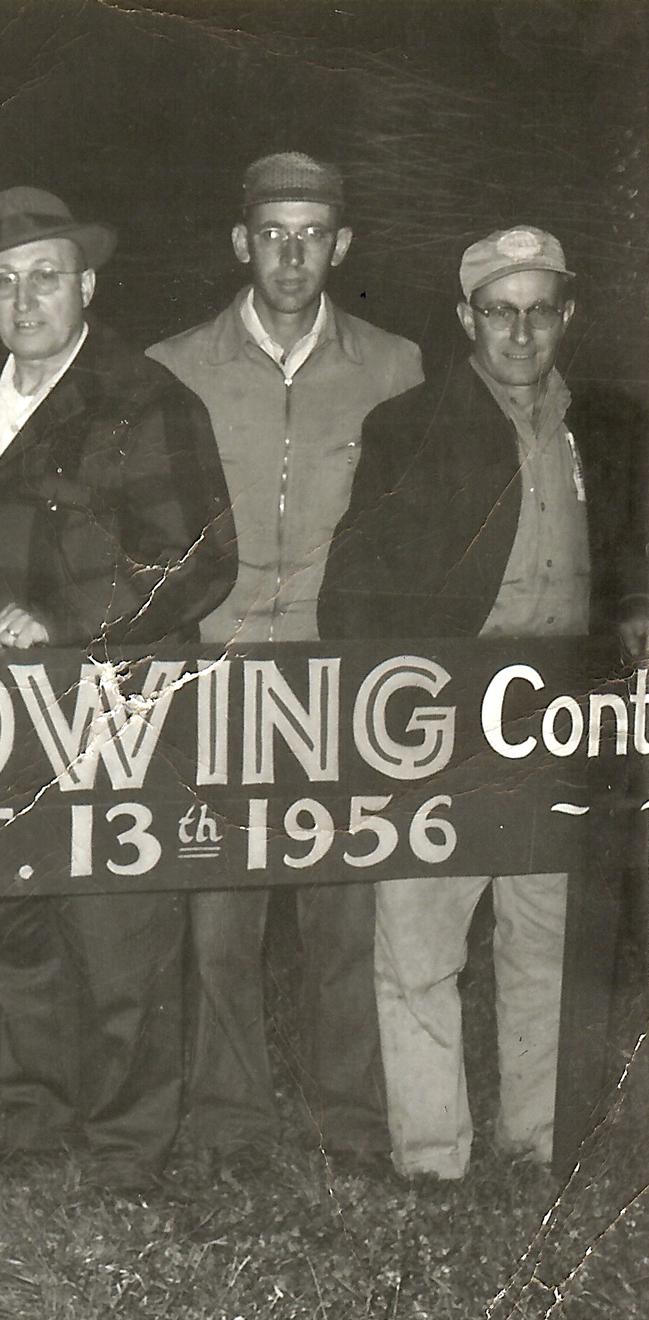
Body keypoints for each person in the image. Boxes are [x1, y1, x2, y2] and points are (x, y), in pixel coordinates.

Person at [0, 186, 236, 1195]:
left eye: (45, 278)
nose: (23, 301)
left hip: (114, 701)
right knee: (5, 920)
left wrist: (63, 620)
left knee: (117, 931)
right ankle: (35, 1124)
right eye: (3, 282)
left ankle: (126, 1149)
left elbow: (199, 559)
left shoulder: (147, 398)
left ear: (87, 284)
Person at [320, 226, 649, 1180]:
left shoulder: (608, 426)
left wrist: (631, 604)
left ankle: (539, 1141)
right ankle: (431, 1156)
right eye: (499, 311)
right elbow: (350, 590)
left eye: (539, 310)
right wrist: (402, 699)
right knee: (421, 941)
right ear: (465, 319)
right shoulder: (408, 425)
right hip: (445, 714)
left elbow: (628, 544)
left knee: (542, 935)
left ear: (566, 315)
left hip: (560, 714)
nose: (519, 331)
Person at [147, 152, 423, 1174]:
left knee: (342, 909)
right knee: (221, 913)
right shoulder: (174, 365)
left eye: (312, 235)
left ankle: (348, 1118)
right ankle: (231, 1121)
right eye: (273, 234)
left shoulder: (395, 366)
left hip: (338, 675)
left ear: (341, 245)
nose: (292, 256)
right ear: (241, 243)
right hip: (216, 667)